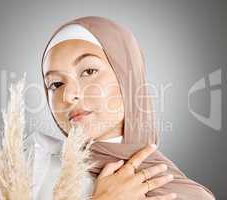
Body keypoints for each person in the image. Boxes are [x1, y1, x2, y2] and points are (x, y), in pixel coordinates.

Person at [32, 16, 215, 200]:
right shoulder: (31, 169)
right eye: (55, 84)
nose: (69, 95)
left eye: (88, 71)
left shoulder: (188, 195)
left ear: (128, 77)